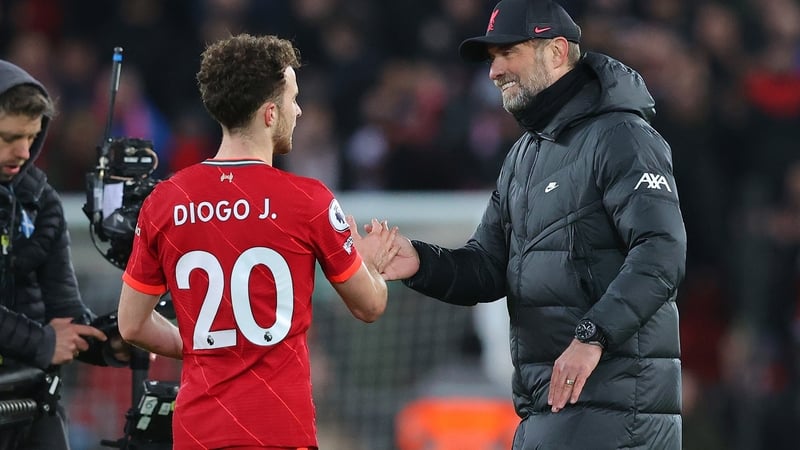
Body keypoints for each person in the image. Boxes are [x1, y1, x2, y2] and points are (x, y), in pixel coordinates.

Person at [374, 0, 687, 448]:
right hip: (549, 408)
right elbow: (485, 268)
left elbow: (662, 249)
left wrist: (592, 337)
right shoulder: (524, 155)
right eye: (491, 59)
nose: (494, 72)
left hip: (619, 411)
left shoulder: (622, 135)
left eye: (507, 53)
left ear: (557, 51)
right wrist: (419, 261)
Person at [116, 33, 398, 450]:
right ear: (270, 114)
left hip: (198, 433)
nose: (298, 111)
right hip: (278, 431)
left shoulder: (166, 201)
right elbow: (369, 305)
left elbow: (131, 324)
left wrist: (201, 346)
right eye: (292, 99)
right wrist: (370, 264)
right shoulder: (309, 200)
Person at [0, 59, 131, 450]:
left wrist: (111, 342)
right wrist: (41, 342)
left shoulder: (41, 200)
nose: (23, 151)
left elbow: (65, 311)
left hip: (32, 401)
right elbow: (49, 337)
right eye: (8, 137)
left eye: (32, 137)